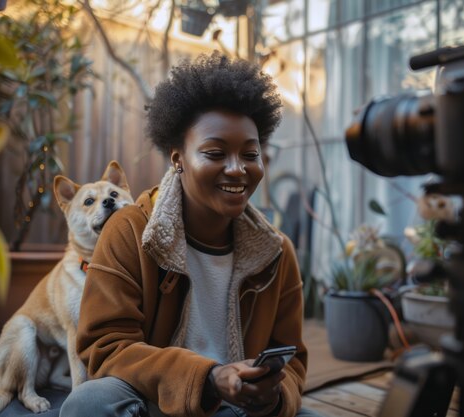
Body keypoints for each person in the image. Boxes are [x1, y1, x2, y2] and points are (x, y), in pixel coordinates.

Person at [60, 52, 320, 417]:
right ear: (178, 158)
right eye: (215, 153)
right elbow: (105, 347)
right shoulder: (130, 232)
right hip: (152, 404)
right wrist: (208, 377)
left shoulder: (276, 253)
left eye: (250, 154)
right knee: (90, 403)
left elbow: (292, 363)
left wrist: (272, 396)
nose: (237, 169)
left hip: (236, 409)